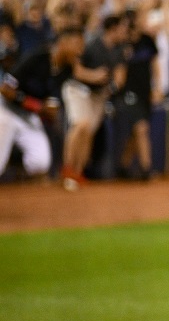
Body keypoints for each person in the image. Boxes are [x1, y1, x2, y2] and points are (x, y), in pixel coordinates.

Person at [1, 27, 83, 179]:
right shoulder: (37, 57)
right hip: (6, 111)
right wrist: (34, 105)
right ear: (63, 43)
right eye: (77, 45)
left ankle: (16, 168)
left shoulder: (66, 69)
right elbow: (5, 89)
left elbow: (52, 102)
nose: (79, 51)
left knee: (39, 164)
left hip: (29, 117)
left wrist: (50, 110)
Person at [63, 14, 127, 190]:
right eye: (121, 28)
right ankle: (68, 168)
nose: (125, 31)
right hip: (79, 90)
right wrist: (95, 76)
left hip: (99, 95)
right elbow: (77, 71)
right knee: (80, 125)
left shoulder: (119, 49)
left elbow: (120, 77)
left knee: (88, 132)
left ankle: (78, 171)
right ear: (112, 29)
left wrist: (110, 88)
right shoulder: (92, 45)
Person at [113, 10, 159, 181]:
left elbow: (155, 65)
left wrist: (157, 88)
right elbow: (119, 73)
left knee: (136, 133)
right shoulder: (122, 46)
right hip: (128, 94)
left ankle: (122, 167)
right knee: (141, 128)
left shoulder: (147, 41)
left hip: (145, 92)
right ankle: (146, 169)